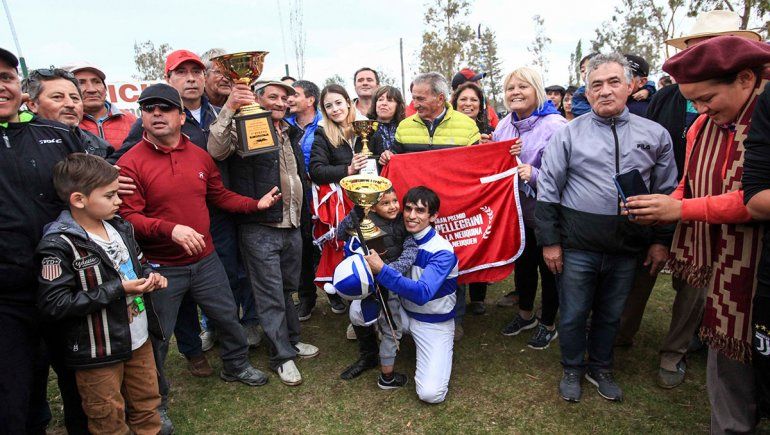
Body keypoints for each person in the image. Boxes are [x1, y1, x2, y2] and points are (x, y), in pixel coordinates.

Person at [624, 36, 770, 433]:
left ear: (745, 79)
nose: (701, 110)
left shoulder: (765, 118)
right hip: (720, 267)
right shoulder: (702, 128)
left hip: (760, 263)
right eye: (693, 102)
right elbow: (689, 185)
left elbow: (755, 200)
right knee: (728, 354)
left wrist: (680, 209)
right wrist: (660, 205)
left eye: (706, 98)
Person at [117, 84, 277, 423]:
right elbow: (128, 216)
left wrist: (254, 204)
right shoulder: (130, 162)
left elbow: (218, 195)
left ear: (180, 116)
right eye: (149, 109)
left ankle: (236, 365)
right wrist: (169, 229)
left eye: (164, 108)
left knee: (227, 317)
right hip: (160, 267)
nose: (156, 114)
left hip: (205, 260)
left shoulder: (199, 154)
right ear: (141, 116)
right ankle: (154, 401)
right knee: (158, 336)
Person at [537, 53, 678, 403]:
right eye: (596, 84)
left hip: (628, 246)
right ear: (587, 92)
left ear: (630, 86)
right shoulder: (568, 134)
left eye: (614, 82)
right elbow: (548, 191)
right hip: (577, 245)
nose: (605, 91)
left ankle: (601, 367)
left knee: (612, 314)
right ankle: (572, 367)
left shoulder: (655, 134)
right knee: (573, 313)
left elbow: (666, 192)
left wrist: (660, 241)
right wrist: (550, 242)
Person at [36, 154, 166, 434]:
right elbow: (54, 304)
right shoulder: (59, 244)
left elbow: (138, 262)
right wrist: (118, 289)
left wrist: (150, 276)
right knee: (107, 416)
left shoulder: (120, 226)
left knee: (147, 404)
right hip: (98, 352)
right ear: (79, 199)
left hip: (139, 338)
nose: (118, 201)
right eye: (110, 195)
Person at [208, 79, 320, 386]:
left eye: (285, 98)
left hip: (291, 224)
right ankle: (281, 356)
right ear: (257, 100)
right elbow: (216, 149)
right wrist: (230, 107)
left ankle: (292, 341)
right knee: (269, 294)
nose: (280, 102)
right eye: (273, 97)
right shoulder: (243, 127)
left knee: (288, 289)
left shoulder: (290, 132)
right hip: (260, 227)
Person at [0, 47, 88, 434]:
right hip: (7, 298)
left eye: (6, 77)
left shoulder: (58, 135)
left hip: (66, 284)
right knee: (15, 396)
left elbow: (90, 195)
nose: (1, 86)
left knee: (81, 383)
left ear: (19, 87)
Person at [387, 72, 479, 340]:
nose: (414, 103)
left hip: (454, 209)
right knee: (413, 256)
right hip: (417, 212)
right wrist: (388, 157)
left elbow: (477, 166)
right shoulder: (404, 127)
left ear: (440, 98)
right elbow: (396, 163)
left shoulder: (467, 126)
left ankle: (454, 317)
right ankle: (407, 312)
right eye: (413, 97)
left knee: (453, 258)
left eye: (420, 98)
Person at [494, 67, 566, 350]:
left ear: (537, 90)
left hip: (548, 214)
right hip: (517, 214)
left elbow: (568, 174)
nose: (515, 92)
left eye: (523, 86)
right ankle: (525, 315)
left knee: (550, 269)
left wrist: (534, 174)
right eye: (510, 88)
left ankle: (548, 323)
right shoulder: (504, 125)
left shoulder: (556, 125)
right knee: (523, 265)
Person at [364, 186, 458, 403]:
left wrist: (382, 270)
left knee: (430, 394)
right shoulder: (399, 236)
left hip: (433, 322)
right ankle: (371, 351)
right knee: (358, 313)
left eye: (420, 211)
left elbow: (422, 293)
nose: (411, 216)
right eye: (408, 209)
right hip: (404, 312)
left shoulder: (442, 251)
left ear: (433, 216)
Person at [336, 188, 416, 385]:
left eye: (395, 200)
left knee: (392, 328)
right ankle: (368, 356)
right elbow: (341, 233)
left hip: (391, 285)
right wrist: (356, 212)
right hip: (367, 284)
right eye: (385, 203)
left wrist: (387, 272)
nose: (393, 206)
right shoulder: (364, 219)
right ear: (372, 207)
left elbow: (410, 251)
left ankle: (387, 375)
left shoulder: (403, 222)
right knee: (357, 315)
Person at [286, 80, 335, 321]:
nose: (289, 99)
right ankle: (306, 296)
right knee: (302, 245)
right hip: (296, 194)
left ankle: (334, 290)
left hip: (324, 192)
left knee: (328, 241)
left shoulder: (327, 123)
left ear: (311, 100)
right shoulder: (284, 124)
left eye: (294, 95)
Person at [23, 68, 112, 158]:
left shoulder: (102, 148)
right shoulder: (18, 144)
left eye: (74, 98)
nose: (70, 104)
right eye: (57, 97)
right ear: (32, 105)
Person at [63, 61, 137, 149]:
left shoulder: (131, 120)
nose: (92, 89)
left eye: (97, 82)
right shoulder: (64, 122)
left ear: (105, 89)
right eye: (81, 83)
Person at [366, 85, 406, 152]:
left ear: (398, 105)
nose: (384, 103)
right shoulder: (366, 128)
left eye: (390, 100)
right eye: (380, 100)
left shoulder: (404, 128)